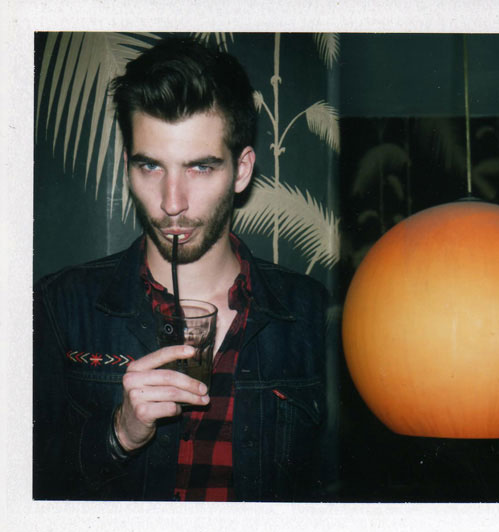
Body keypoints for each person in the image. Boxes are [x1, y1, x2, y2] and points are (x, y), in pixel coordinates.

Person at [33, 36, 336, 502]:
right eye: (151, 167)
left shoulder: (313, 314)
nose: (172, 203)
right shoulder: (60, 306)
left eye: (200, 168)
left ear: (241, 171)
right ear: (129, 167)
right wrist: (118, 434)